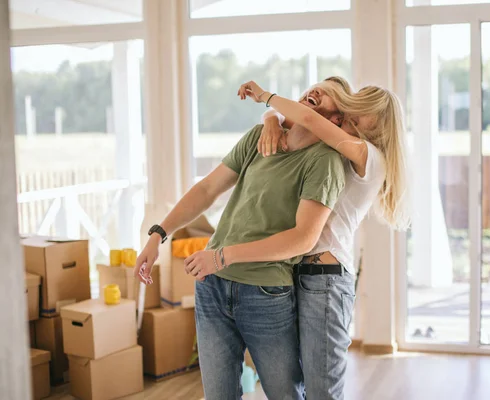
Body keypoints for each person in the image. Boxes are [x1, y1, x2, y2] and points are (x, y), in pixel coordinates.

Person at [187, 78, 411, 399]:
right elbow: (301, 123)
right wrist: (271, 120)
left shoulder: (366, 154)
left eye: (360, 113)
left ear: (379, 124)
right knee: (301, 382)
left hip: (326, 280)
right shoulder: (336, 149)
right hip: (298, 272)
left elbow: (308, 119)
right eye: (350, 110)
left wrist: (265, 98)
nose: (350, 116)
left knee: (321, 390)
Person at [134, 79, 347, 399]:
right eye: (313, 87)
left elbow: (303, 238)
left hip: (266, 292)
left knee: (284, 394)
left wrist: (223, 255)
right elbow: (207, 189)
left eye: (327, 92)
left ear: (336, 120)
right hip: (212, 286)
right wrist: (158, 234)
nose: (314, 90)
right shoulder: (259, 138)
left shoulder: (324, 162)